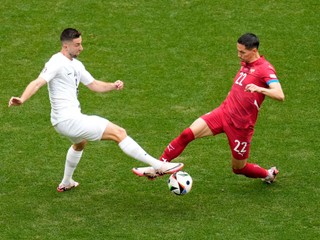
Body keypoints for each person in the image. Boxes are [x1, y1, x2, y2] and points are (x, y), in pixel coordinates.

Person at [8, 28, 183, 192]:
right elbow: (38, 81)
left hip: (64, 121)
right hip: (68, 120)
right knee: (119, 132)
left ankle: (66, 181)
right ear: (65, 45)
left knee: (80, 143)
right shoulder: (56, 62)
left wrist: (113, 86)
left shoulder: (76, 65)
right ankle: (159, 165)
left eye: (81, 44)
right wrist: (22, 99)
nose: (81, 48)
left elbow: (94, 85)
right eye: (77, 45)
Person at [133, 33, 285, 184]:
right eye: (237, 51)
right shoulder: (246, 64)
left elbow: (279, 94)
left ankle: (268, 174)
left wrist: (259, 89)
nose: (239, 55)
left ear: (254, 50)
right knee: (187, 134)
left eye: (242, 52)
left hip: (241, 126)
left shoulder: (265, 69)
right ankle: (159, 167)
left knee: (239, 168)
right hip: (223, 113)